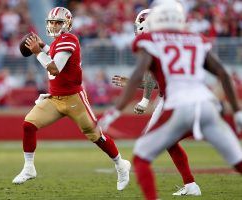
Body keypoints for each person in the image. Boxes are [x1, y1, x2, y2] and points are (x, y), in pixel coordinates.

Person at [98, 1, 242, 199]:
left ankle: (182, 186)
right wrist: (237, 111)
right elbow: (222, 74)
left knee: (141, 156)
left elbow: (146, 75)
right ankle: (190, 184)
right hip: (207, 103)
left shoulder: (152, 40)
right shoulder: (194, 38)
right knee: (237, 159)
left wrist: (130, 104)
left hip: (176, 104)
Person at [12, 7, 131, 191]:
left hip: (74, 99)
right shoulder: (60, 41)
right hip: (54, 98)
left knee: (96, 136)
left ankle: (121, 165)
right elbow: (53, 53)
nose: (54, 25)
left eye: (58, 22)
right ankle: (29, 168)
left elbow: (54, 68)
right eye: (51, 22)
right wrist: (43, 47)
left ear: (67, 24)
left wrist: (37, 52)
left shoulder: (70, 39)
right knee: (28, 124)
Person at [109, 8, 202, 196]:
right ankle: (191, 184)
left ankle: (155, 191)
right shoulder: (172, 40)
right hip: (184, 96)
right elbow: (159, 81)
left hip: (178, 100)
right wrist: (135, 84)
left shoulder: (154, 43)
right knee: (168, 141)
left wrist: (144, 100)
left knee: (149, 143)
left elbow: (152, 76)